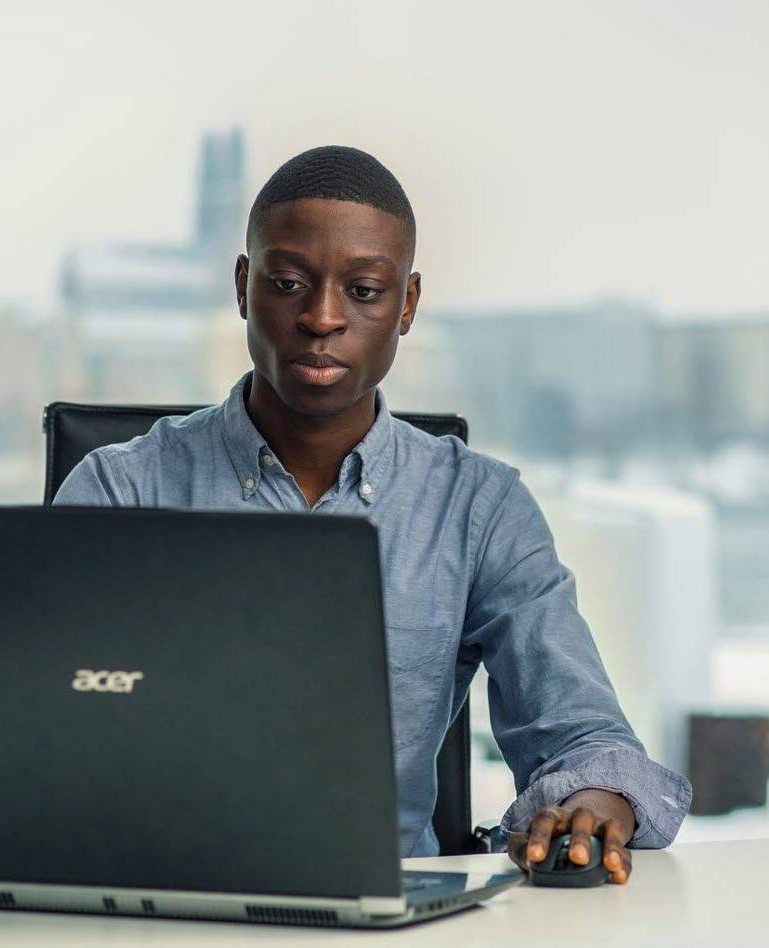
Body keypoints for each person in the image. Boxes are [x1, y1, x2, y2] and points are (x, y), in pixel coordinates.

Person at [54, 145, 691, 882]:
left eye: (363, 290)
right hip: (146, 903)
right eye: (289, 283)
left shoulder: (479, 507)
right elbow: (37, 726)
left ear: (408, 305)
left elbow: (581, 735)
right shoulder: (119, 489)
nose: (323, 318)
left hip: (386, 914)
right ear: (243, 286)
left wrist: (593, 794)